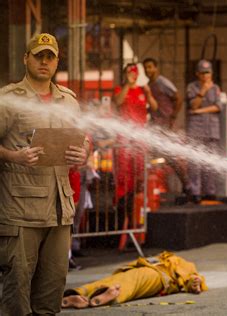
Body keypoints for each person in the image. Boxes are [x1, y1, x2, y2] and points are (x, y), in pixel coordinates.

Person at [0, 33, 89, 315]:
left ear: (57, 62)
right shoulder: (8, 99)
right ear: (26, 58)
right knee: (18, 293)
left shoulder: (68, 101)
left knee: (51, 292)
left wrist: (84, 153)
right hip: (21, 210)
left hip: (60, 209)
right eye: (38, 55)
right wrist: (15, 156)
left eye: (50, 56)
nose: (44, 61)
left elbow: (83, 137)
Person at [61, 251, 207, 308]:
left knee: (131, 282)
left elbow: (193, 278)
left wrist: (195, 283)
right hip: (140, 270)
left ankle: (96, 294)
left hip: (159, 277)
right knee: (121, 280)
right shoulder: (162, 257)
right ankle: (82, 294)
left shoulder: (182, 262)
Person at [113, 63, 157, 227]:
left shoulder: (142, 90)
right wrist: (127, 84)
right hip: (124, 139)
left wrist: (148, 92)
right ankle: (122, 212)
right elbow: (117, 102)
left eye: (135, 72)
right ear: (125, 74)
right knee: (124, 177)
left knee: (140, 175)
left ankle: (138, 218)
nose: (133, 75)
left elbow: (154, 106)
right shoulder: (120, 89)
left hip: (140, 139)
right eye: (129, 72)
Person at [143, 57, 189, 199]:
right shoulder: (148, 85)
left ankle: (187, 186)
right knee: (159, 156)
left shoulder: (162, 82)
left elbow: (178, 97)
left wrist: (172, 117)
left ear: (156, 67)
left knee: (171, 157)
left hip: (165, 125)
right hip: (156, 125)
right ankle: (155, 188)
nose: (148, 70)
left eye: (150, 67)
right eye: (145, 67)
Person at [185, 59, 223, 204]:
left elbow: (218, 107)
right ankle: (195, 192)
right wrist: (203, 91)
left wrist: (200, 110)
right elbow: (192, 104)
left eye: (208, 72)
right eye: (202, 73)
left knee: (211, 163)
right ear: (197, 74)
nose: (206, 76)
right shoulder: (192, 87)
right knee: (195, 163)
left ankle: (210, 192)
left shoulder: (216, 88)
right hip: (196, 130)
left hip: (212, 131)